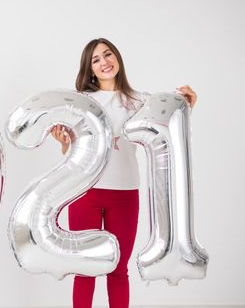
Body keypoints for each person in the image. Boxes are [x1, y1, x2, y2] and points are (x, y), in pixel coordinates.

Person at [51, 38, 197, 308]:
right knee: (86, 270)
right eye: (96, 60)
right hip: (85, 192)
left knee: (118, 269)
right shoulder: (80, 101)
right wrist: (63, 143)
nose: (104, 62)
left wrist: (187, 105)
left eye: (108, 55)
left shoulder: (141, 100)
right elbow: (72, 149)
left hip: (125, 193)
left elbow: (166, 129)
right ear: (89, 69)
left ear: (117, 58)